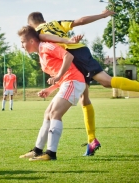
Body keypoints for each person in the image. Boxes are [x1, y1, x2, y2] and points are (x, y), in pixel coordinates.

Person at [27, 10, 139, 155]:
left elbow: (44, 36)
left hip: (75, 55)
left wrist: (68, 42)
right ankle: (92, 140)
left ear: (31, 24)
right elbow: (79, 21)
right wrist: (101, 15)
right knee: (84, 100)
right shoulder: (55, 23)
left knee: (106, 81)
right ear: (43, 19)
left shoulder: (38, 33)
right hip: (78, 53)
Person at [18, 25, 86, 161]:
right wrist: (49, 90)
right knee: (48, 113)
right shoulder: (41, 56)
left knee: (55, 113)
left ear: (31, 41)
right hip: (67, 82)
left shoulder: (46, 47)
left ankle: (51, 153)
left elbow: (68, 56)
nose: (21, 46)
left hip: (74, 81)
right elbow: (59, 76)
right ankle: (37, 150)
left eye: (22, 42)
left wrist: (58, 76)